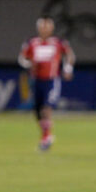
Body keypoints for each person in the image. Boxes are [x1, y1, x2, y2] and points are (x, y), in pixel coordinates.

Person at [18, 15, 76, 151]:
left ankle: (46, 138)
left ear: (52, 28)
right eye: (42, 27)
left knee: (46, 108)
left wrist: (67, 68)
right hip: (36, 80)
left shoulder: (58, 43)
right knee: (37, 111)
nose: (44, 29)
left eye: (47, 27)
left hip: (51, 81)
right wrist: (29, 64)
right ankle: (46, 134)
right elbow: (22, 58)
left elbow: (70, 55)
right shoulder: (31, 43)